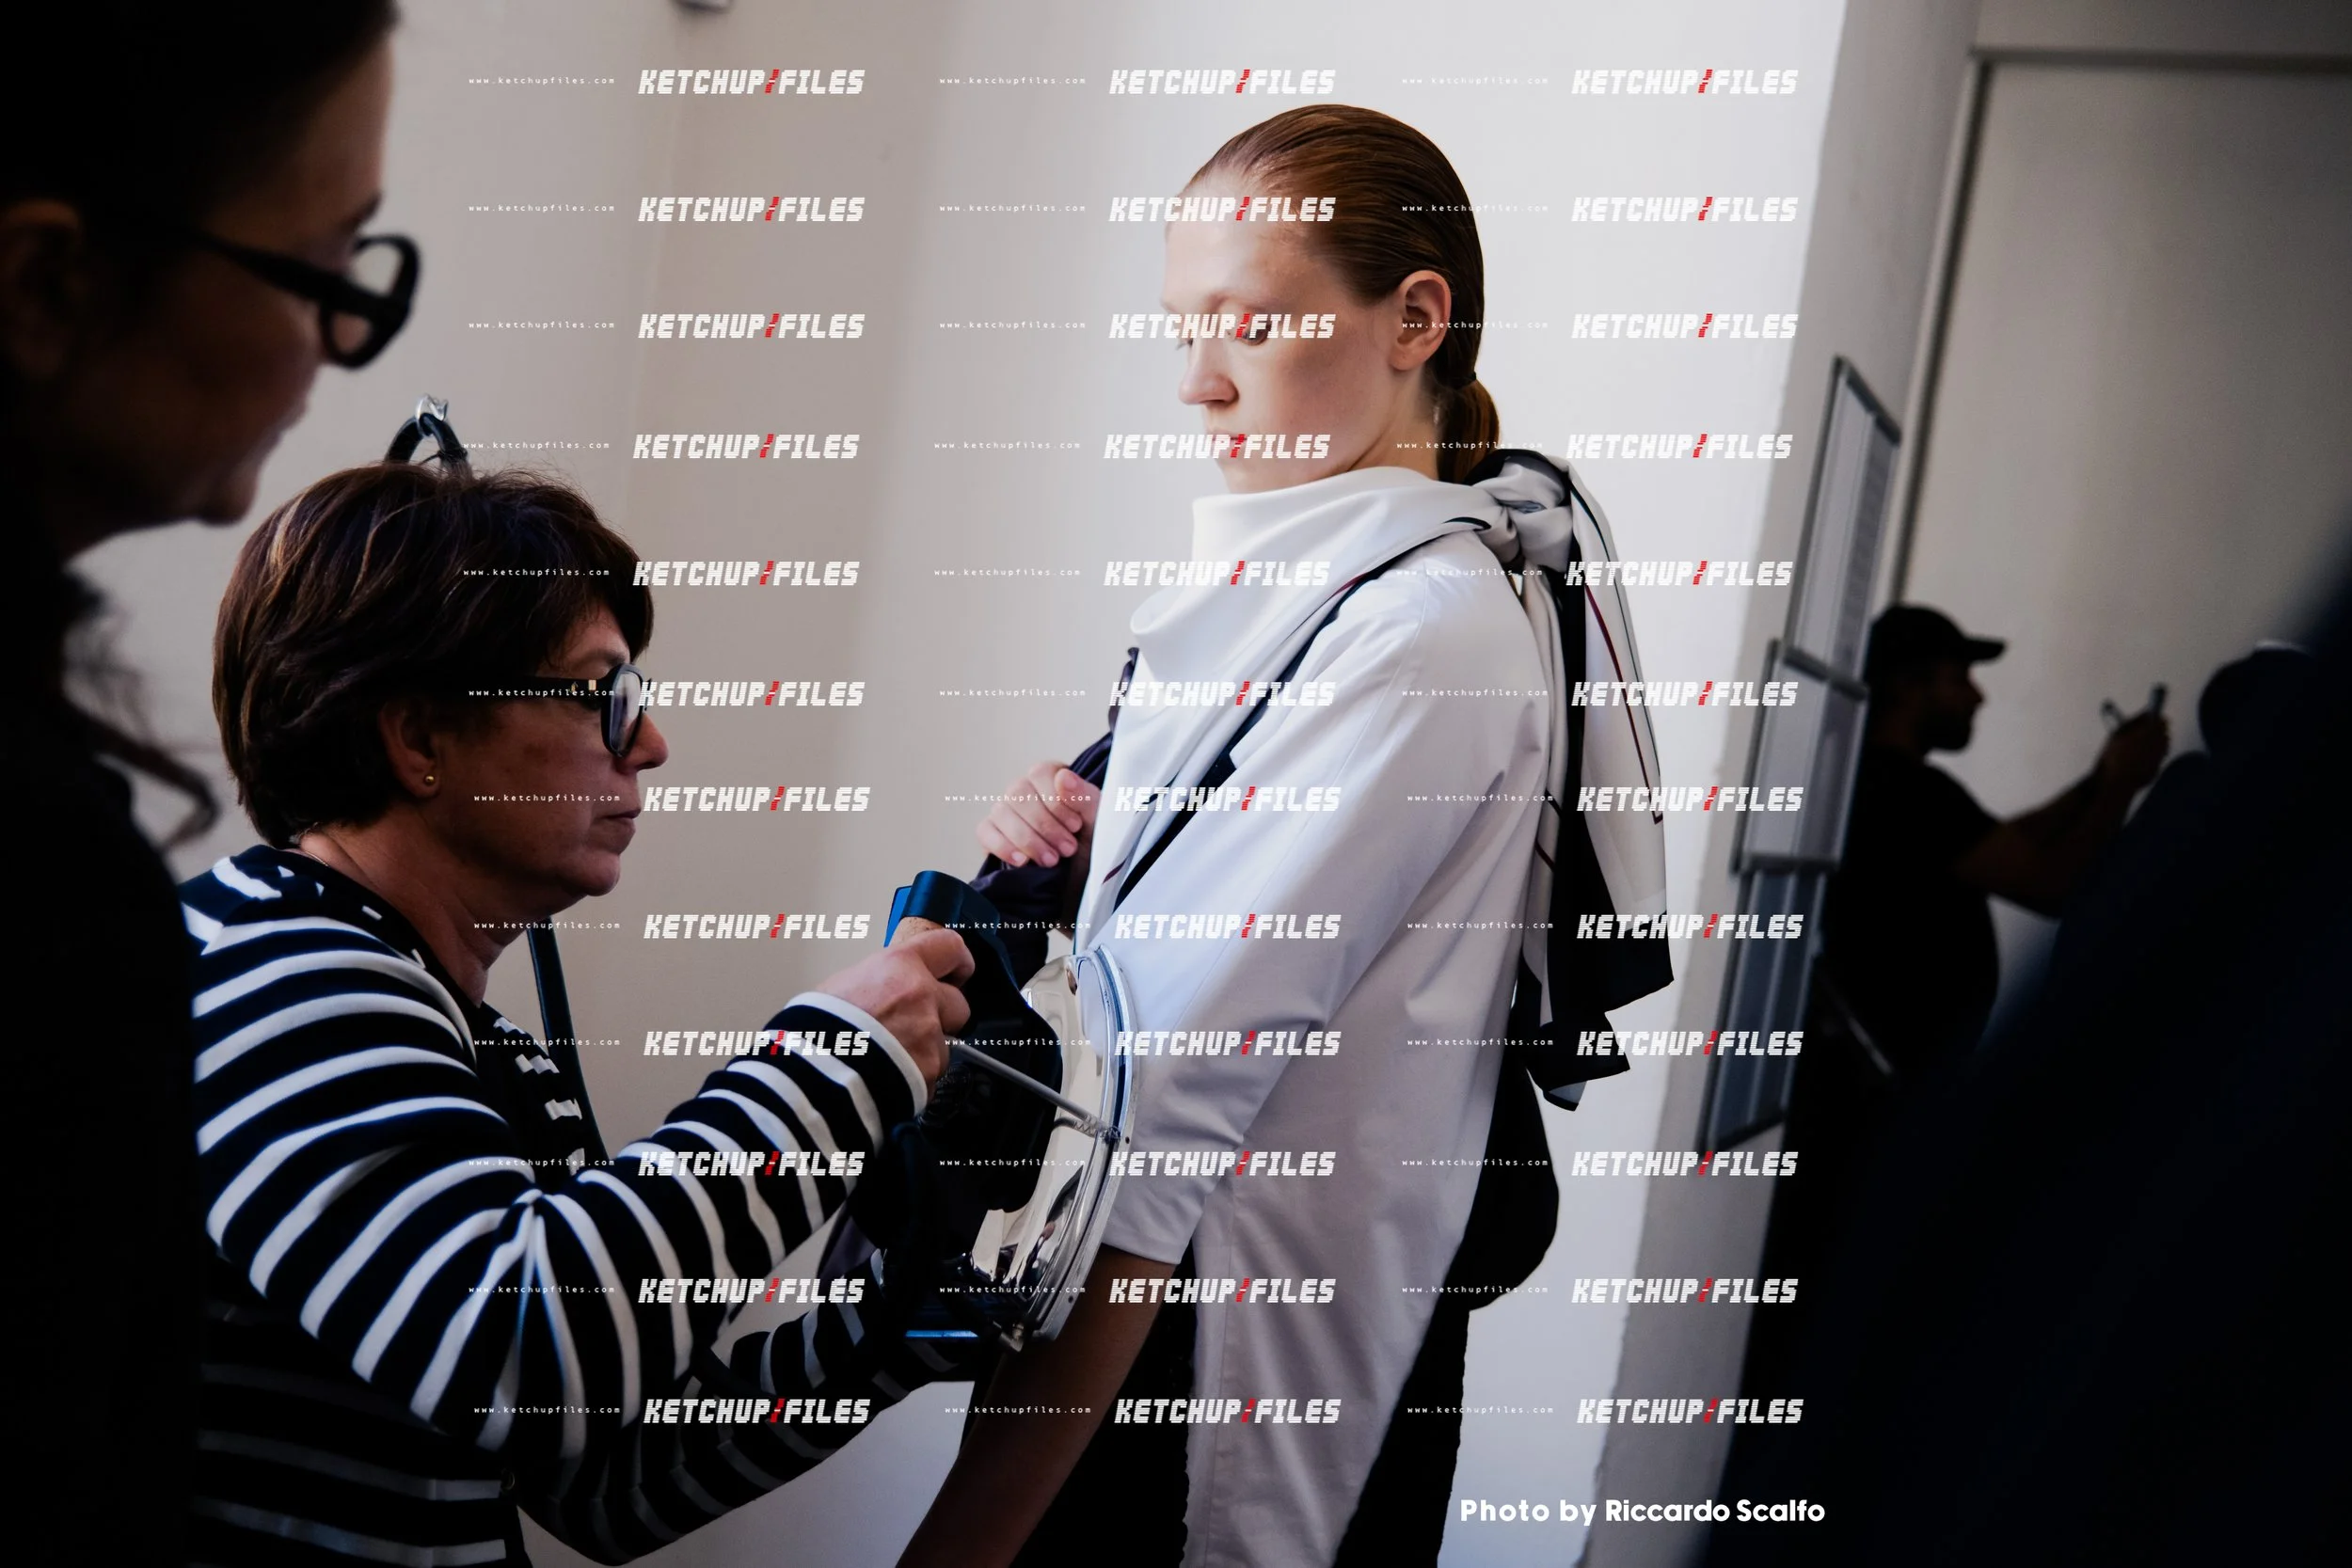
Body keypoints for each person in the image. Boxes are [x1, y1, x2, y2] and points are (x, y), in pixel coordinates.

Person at [899, 105, 1669, 1568]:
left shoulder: (1409, 628)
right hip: (1159, 1329)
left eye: (1247, 321)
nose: (1198, 381)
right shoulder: (1346, 592)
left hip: (1204, 1381)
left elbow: (1161, 1117)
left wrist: (964, 1540)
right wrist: (1080, 835)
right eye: (1180, 326)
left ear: (1414, 318)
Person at [186, 460, 977, 1563]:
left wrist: (907, 1317)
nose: (649, 745)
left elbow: (608, 1477)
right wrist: (831, 1070)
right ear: (418, 738)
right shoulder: (271, 969)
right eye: (603, 693)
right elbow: (513, 1355)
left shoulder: (465, 1040)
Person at [1, 6, 402, 1560]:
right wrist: (833, 1059)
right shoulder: (52, 874)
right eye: (326, 268)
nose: (343, 338)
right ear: (45, 284)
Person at [1730, 603, 2168, 1455]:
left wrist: (2100, 776)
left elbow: (2003, 843)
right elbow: (2048, 881)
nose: (1977, 697)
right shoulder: (1905, 791)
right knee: (1835, 1332)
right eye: (1960, 677)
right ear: (1910, 684)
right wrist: (2119, 783)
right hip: (1871, 1119)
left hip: (1874, 1107)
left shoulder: (1897, 787)